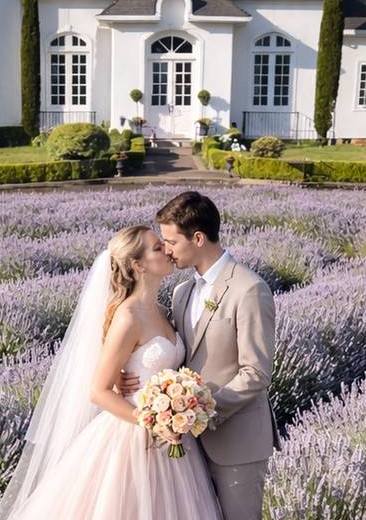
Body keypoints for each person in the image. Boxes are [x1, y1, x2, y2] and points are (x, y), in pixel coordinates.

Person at [0, 225, 222, 519]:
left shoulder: (163, 310)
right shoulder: (128, 317)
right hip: (133, 437)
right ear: (138, 265)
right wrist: (152, 421)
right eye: (156, 247)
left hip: (173, 436)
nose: (167, 249)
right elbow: (98, 391)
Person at [119, 191, 280, 520]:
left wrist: (198, 412)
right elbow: (168, 352)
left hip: (236, 441)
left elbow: (257, 372)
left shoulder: (249, 289)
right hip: (185, 446)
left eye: (171, 241)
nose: (166, 250)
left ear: (198, 238)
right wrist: (135, 379)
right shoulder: (182, 292)